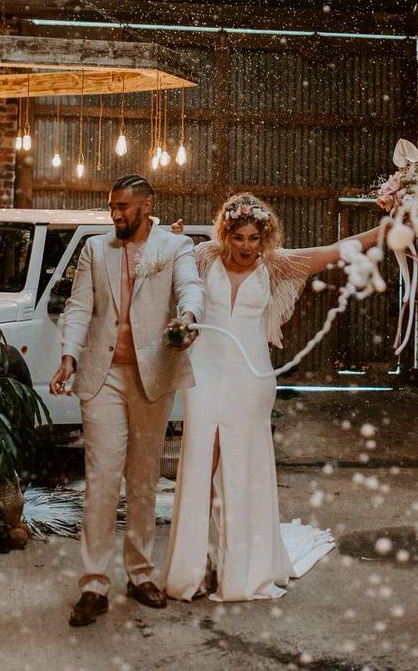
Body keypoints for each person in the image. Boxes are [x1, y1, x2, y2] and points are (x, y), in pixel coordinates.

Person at [163, 193, 381, 603]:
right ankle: (197, 565)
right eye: (238, 237)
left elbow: (335, 251)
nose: (246, 247)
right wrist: (169, 238)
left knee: (242, 469)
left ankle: (242, 568)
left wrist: (384, 231)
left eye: (253, 238)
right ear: (225, 234)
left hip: (250, 379)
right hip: (203, 375)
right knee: (200, 463)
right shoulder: (204, 257)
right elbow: (168, 265)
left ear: (264, 238)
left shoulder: (276, 265)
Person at [50, 174, 205, 627]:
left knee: (143, 479)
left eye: (123, 206)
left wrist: (188, 318)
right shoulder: (95, 249)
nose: (115, 214)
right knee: (101, 479)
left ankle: (140, 573)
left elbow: (191, 288)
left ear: (147, 205)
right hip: (103, 377)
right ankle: (94, 584)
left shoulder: (175, 246)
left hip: (151, 375)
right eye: (112, 207)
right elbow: (79, 307)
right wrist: (68, 356)